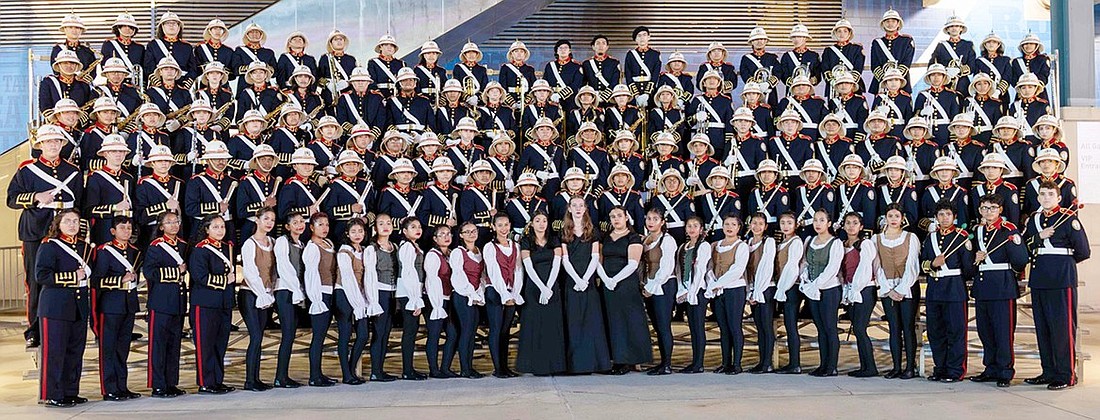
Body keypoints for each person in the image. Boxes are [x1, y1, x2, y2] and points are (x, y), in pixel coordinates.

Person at [1023, 181, 1090, 390]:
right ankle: (1048, 371)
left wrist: (1061, 265)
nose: (1046, 198)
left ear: (1059, 198)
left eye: (1050, 194)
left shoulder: (1069, 219)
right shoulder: (1034, 220)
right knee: (1043, 328)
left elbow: (1083, 251)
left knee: (1062, 328)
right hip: (1039, 278)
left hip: (1061, 279)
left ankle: (1066, 374)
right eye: (1042, 194)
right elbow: (1024, 246)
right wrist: (1039, 237)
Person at [970, 194, 1029, 388]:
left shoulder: (1009, 230)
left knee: (1003, 331)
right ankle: (991, 368)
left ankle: (1005, 370)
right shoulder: (977, 231)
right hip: (983, 286)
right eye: (985, 208)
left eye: (993, 208)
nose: (989, 212)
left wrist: (1007, 272)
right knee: (985, 331)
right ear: (980, 210)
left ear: (1000, 210)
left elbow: (1020, 259)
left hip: (1002, 286)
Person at [35, 210, 92, 407]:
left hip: (78, 306)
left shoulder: (84, 246)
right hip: (55, 307)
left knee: (75, 352)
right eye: (67, 221)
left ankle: (70, 392)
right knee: (55, 353)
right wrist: (72, 276)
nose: (72, 224)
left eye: (75, 221)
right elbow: (41, 276)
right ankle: (52, 394)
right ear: (58, 224)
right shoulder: (49, 245)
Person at [922, 201, 976, 383]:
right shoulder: (930, 238)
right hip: (934, 289)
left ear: (954, 217)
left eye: (948, 214)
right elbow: (923, 263)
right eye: (941, 214)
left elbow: (969, 268)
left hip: (954, 289)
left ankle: (955, 370)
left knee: (955, 332)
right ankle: (940, 367)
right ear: (936, 218)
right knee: (936, 331)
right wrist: (931, 264)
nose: (944, 218)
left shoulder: (962, 237)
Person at [560, 196, 612, 374]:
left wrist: (585, 279)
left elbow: (595, 257)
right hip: (572, 282)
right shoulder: (564, 231)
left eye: (581, 205)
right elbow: (564, 259)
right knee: (574, 322)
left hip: (588, 281)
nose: (577, 208)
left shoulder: (593, 230)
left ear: (585, 208)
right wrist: (576, 280)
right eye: (574, 205)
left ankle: (595, 363)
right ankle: (576, 365)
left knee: (592, 322)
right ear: (569, 208)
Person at [91, 216, 141, 401]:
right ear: (113, 231)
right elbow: (96, 281)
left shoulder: (135, 252)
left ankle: (122, 386)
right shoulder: (105, 251)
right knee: (109, 350)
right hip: (110, 306)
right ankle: (109, 388)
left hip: (128, 305)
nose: (126, 231)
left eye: (129, 227)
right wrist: (120, 280)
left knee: (122, 349)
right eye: (122, 227)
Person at [598, 207, 652, 374]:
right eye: (612, 216)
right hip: (608, 284)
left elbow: (633, 264)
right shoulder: (606, 237)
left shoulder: (633, 237)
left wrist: (615, 279)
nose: (616, 219)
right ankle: (616, 358)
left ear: (626, 217)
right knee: (612, 321)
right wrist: (606, 279)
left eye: (619, 216)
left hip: (625, 283)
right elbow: (598, 260)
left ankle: (629, 360)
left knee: (628, 321)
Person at [189, 214, 236, 394]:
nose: (220, 231)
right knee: (206, 344)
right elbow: (200, 277)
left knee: (220, 344)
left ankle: (217, 379)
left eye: (222, 227)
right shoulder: (200, 249)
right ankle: (205, 382)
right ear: (207, 229)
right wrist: (225, 280)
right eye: (215, 227)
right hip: (205, 303)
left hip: (223, 303)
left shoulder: (227, 248)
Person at [873, 204, 921, 379]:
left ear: (902, 219)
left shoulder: (910, 237)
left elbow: (912, 265)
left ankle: (909, 366)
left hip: (906, 287)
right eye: (890, 215)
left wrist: (901, 289)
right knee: (894, 328)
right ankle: (895, 366)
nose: (893, 219)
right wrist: (887, 288)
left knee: (907, 327)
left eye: (897, 216)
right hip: (887, 287)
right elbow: (876, 266)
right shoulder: (876, 239)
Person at [144, 212, 188, 398]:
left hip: (178, 301)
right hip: (161, 301)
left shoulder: (184, 245)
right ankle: (158, 384)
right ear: (161, 226)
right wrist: (175, 271)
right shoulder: (156, 246)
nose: (174, 225)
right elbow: (149, 272)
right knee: (159, 344)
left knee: (174, 344)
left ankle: (171, 382)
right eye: (169, 223)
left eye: (176, 221)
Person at [517, 212, 567, 375]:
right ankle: (534, 365)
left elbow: (556, 263)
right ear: (532, 223)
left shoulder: (554, 239)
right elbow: (528, 265)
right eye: (537, 221)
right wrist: (541, 288)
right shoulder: (526, 241)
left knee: (552, 325)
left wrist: (549, 287)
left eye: (544, 220)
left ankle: (554, 365)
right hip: (533, 286)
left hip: (552, 285)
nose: (541, 224)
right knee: (534, 324)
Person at [800, 209, 844, 377]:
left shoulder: (835, 243)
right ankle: (822, 363)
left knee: (829, 327)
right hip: (812, 289)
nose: (818, 223)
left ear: (829, 223)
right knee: (819, 328)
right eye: (816, 220)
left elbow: (832, 268)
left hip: (829, 289)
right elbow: (805, 263)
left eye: (821, 220)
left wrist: (816, 285)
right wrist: (806, 280)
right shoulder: (810, 241)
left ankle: (831, 366)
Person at [239, 208, 277, 391]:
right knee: (255, 336)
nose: (269, 222)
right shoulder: (249, 244)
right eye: (266, 219)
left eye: (272, 219)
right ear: (257, 220)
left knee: (259, 336)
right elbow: (251, 273)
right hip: (251, 294)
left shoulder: (273, 242)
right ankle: (249, 380)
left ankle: (256, 378)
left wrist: (270, 292)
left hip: (266, 295)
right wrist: (262, 293)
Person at [706, 215, 748, 374]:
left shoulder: (741, 246)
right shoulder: (715, 245)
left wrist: (718, 284)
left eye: (733, 224)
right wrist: (712, 282)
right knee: (723, 328)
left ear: (739, 228)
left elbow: (737, 270)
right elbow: (710, 266)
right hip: (718, 290)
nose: (729, 227)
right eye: (726, 224)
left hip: (734, 289)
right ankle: (725, 362)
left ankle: (737, 363)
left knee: (734, 326)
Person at [839, 212, 878, 377]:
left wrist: (855, 289)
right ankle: (864, 366)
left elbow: (865, 269)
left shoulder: (865, 244)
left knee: (861, 328)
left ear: (861, 226)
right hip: (851, 291)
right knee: (857, 328)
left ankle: (870, 367)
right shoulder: (841, 244)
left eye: (855, 223)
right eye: (848, 223)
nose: (851, 226)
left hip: (864, 290)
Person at [640, 209, 678, 375]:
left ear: (662, 222)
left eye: (655, 219)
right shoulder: (646, 239)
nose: (651, 221)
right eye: (649, 218)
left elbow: (666, 267)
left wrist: (652, 286)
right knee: (656, 325)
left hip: (663, 285)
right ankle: (662, 361)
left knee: (663, 326)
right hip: (649, 286)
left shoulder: (667, 240)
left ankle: (667, 364)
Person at [302, 213, 338, 387]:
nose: (324, 228)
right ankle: (314, 375)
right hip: (319, 294)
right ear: (312, 227)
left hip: (330, 292)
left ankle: (319, 373)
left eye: (326, 224)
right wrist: (316, 299)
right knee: (318, 336)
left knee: (323, 336)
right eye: (320, 225)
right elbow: (311, 275)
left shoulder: (329, 244)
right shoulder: (312, 247)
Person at [272, 211, 307, 388]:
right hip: (285, 290)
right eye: (295, 222)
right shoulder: (282, 241)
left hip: (295, 290)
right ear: (287, 226)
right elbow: (284, 267)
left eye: (302, 221)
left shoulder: (301, 243)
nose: (300, 225)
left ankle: (283, 374)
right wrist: (296, 289)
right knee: (287, 334)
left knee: (291, 333)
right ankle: (280, 376)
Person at [334, 218, 371, 385]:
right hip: (344, 293)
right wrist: (358, 303)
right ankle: (346, 374)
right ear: (347, 234)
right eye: (354, 231)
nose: (358, 235)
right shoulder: (344, 252)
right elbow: (348, 279)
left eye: (360, 231)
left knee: (363, 335)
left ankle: (351, 368)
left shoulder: (363, 251)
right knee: (345, 334)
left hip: (359, 295)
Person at [363, 214, 399, 382]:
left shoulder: (395, 247)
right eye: (381, 223)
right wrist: (373, 301)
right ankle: (375, 370)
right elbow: (369, 276)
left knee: (386, 333)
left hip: (393, 292)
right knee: (378, 332)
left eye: (388, 223)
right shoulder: (372, 248)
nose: (385, 226)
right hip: (379, 292)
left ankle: (381, 368)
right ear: (375, 227)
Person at [449, 222, 487, 378]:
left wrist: (480, 293)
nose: (472, 234)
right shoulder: (458, 253)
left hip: (476, 296)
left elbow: (482, 276)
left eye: (474, 231)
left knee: (472, 332)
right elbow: (458, 276)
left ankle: (469, 366)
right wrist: (471, 294)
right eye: (467, 232)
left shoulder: (479, 251)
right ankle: (465, 368)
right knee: (466, 331)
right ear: (461, 235)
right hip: (463, 295)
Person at [676, 217, 711, 373]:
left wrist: (693, 291)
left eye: (695, 226)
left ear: (701, 228)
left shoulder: (704, 246)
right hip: (686, 290)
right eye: (689, 226)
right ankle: (694, 360)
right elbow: (678, 269)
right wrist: (681, 289)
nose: (692, 229)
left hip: (698, 291)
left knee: (698, 327)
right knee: (692, 327)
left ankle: (699, 363)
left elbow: (700, 270)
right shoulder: (683, 247)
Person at [772, 213, 805, 373]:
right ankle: (793, 362)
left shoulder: (796, 242)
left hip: (790, 288)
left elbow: (792, 268)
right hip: (783, 287)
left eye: (789, 223)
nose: (785, 226)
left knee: (791, 326)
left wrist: (783, 289)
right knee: (787, 324)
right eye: (783, 222)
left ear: (795, 225)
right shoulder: (782, 242)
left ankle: (795, 363)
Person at [424, 224, 458, 378]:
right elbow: (432, 280)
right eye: (442, 234)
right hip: (434, 298)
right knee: (435, 333)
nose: (446, 236)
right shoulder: (432, 255)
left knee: (452, 333)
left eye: (448, 233)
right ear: (435, 239)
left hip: (448, 297)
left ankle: (445, 367)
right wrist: (436, 304)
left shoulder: (451, 254)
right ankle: (434, 369)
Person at [396, 217, 428, 380]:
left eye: (419, 226)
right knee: (409, 331)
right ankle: (407, 370)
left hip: (413, 291)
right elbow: (408, 272)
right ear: (404, 231)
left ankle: (409, 368)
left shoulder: (414, 245)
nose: (417, 229)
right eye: (413, 227)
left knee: (412, 330)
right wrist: (414, 299)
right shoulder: (407, 246)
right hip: (408, 292)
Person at [746, 213, 777, 373]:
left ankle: (768, 362)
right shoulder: (747, 242)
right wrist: (750, 292)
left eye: (760, 224)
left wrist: (758, 291)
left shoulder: (769, 242)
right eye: (754, 223)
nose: (756, 226)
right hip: (753, 291)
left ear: (765, 226)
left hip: (766, 288)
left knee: (766, 326)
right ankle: (761, 360)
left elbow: (766, 267)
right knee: (759, 326)